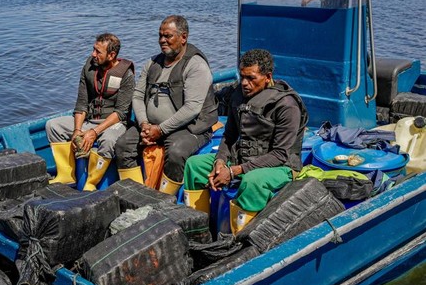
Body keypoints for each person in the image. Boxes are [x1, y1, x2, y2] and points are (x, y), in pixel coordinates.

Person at [182, 49, 308, 234]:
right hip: (243, 158)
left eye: (251, 78)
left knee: (252, 181)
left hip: (281, 166)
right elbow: (230, 135)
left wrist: (233, 172)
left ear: (267, 77)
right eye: (242, 77)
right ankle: (198, 232)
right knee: (195, 166)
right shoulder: (238, 96)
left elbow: (280, 154)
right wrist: (220, 162)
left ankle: (240, 239)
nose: (245, 84)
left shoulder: (286, 105)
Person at [114, 15, 218, 195]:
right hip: (151, 127)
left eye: (168, 36)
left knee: (177, 153)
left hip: (189, 127)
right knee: (123, 145)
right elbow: (137, 96)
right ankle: (135, 195)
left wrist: (160, 130)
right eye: (160, 35)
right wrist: (144, 124)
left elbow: (192, 108)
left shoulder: (196, 65)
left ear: (183, 37)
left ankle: (164, 200)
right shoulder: (153, 62)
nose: (162, 40)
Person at [45, 33, 135, 191]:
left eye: (98, 52)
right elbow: (81, 103)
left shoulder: (126, 75)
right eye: (94, 49)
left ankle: (91, 183)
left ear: (112, 55)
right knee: (53, 126)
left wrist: (94, 132)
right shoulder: (89, 68)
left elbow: (120, 113)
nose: (93, 54)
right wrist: (77, 130)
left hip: (114, 123)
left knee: (108, 141)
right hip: (90, 121)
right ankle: (67, 175)